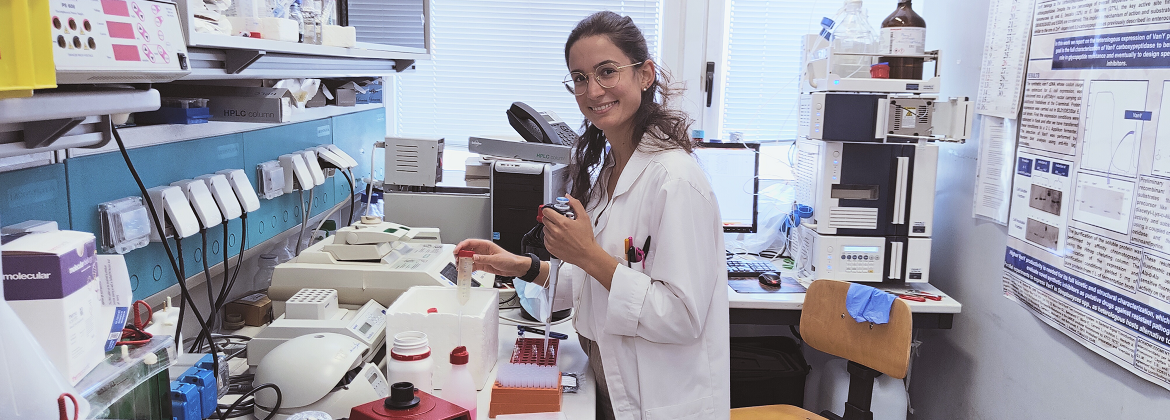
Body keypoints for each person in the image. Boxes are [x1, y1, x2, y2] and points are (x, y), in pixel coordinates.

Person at [454, 11, 730, 420]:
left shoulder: (675, 181)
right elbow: (595, 284)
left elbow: (680, 317)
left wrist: (586, 254)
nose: (593, 90)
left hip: (658, 401)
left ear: (645, 74)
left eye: (607, 72)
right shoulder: (611, 172)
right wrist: (522, 266)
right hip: (609, 385)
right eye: (580, 78)